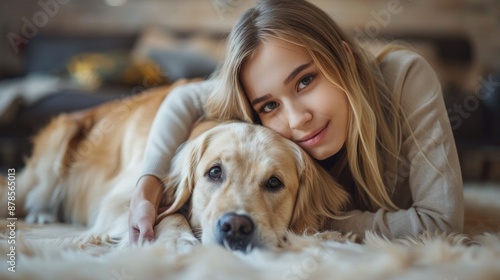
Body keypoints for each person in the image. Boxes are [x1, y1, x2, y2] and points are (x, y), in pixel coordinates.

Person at [129, 0, 463, 244]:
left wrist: (306, 218)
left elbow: (442, 222)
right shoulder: (261, 129)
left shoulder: (406, 78)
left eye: (305, 81)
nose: (298, 119)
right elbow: (184, 98)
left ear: (344, 58)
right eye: (270, 105)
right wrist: (147, 185)